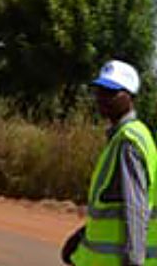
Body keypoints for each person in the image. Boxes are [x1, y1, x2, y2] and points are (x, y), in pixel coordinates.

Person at [62, 60, 157, 266]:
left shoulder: (128, 141)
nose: (101, 98)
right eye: (100, 90)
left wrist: (134, 261)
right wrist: (82, 236)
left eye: (111, 92)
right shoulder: (122, 138)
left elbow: (136, 208)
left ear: (129, 97)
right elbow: (113, 204)